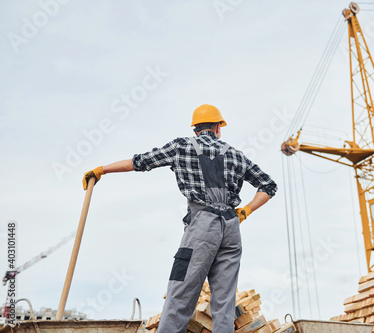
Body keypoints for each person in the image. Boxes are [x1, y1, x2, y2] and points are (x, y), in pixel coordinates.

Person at [82, 104, 277, 332]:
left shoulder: (181, 147)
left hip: (203, 225)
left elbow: (140, 162)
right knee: (224, 302)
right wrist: (246, 210)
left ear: (195, 130)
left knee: (181, 292)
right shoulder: (234, 154)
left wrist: (101, 170)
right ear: (218, 127)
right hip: (232, 228)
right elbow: (268, 185)